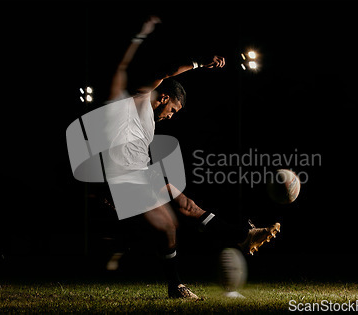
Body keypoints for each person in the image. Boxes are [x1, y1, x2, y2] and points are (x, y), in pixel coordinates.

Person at [100, 16, 280, 299]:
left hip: (138, 172)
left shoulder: (148, 117)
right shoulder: (140, 96)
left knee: (186, 205)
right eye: (173, 109)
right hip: (122, 177)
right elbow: (165, 70)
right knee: (168, 226)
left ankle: (243, 235)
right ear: (165, 97)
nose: (171, 116)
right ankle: (172, 283)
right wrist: (199, 63)